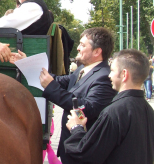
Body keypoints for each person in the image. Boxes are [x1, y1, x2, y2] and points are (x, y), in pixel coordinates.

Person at [10, 27, 117, 164]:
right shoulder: (83, 70)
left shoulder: (103, 77)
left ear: (97, 51)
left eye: (83, 45)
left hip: (84, 152)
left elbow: (86, 108)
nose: (78, 48)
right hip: (73, 147)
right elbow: (58, 81)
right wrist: (27, 64)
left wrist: (51, 87)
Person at [64, 49, 154, 164]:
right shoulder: (148, 109)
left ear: (124, 74)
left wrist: (76, 127)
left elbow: (85, 153)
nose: (109, 75)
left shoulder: (115, 112)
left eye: (112, 70)